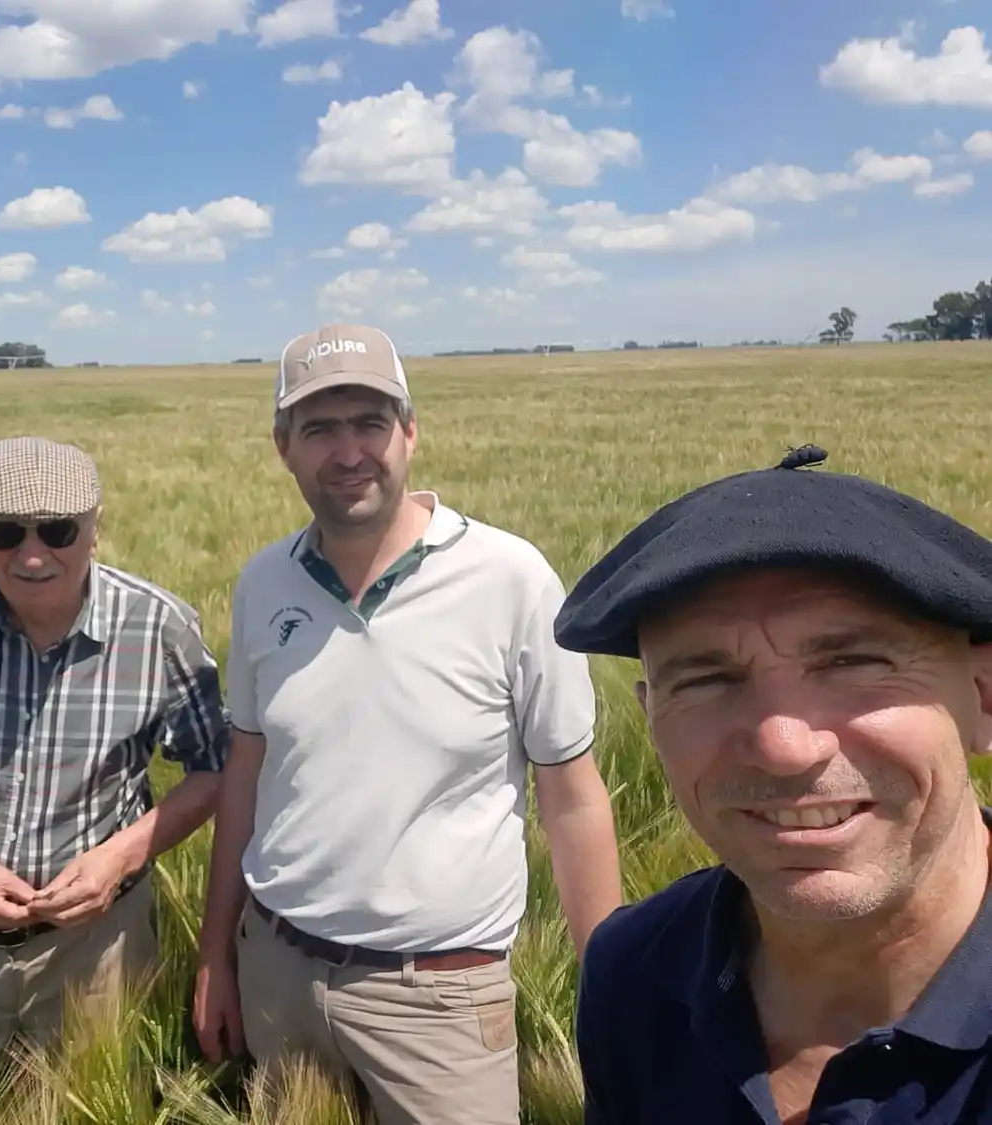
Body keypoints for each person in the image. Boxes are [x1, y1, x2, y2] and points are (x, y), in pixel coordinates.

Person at [192, 323, 625, 1125]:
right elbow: (246, 773)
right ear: (283, 445)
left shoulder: (511, 579)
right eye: (320, 428)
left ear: (412, 432)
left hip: (440, 1001)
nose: (349, 451)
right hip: (278, 974)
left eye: (371, 422)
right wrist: (217, 950)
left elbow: (573, 796)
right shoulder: (262, 584)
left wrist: (612, 982)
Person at [552, 445, 992, 1125]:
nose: (783, 749)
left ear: (984, 698)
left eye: (853, 662)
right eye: (706, 679)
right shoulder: (633, 971)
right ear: (651, 721)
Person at [0, 435, 232, 1119]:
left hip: (103, 947)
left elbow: (216, 766)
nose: (31, 555)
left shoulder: (157, 626)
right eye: (4, 532)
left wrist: (119, 856)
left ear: (96, 525)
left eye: (58, 531)